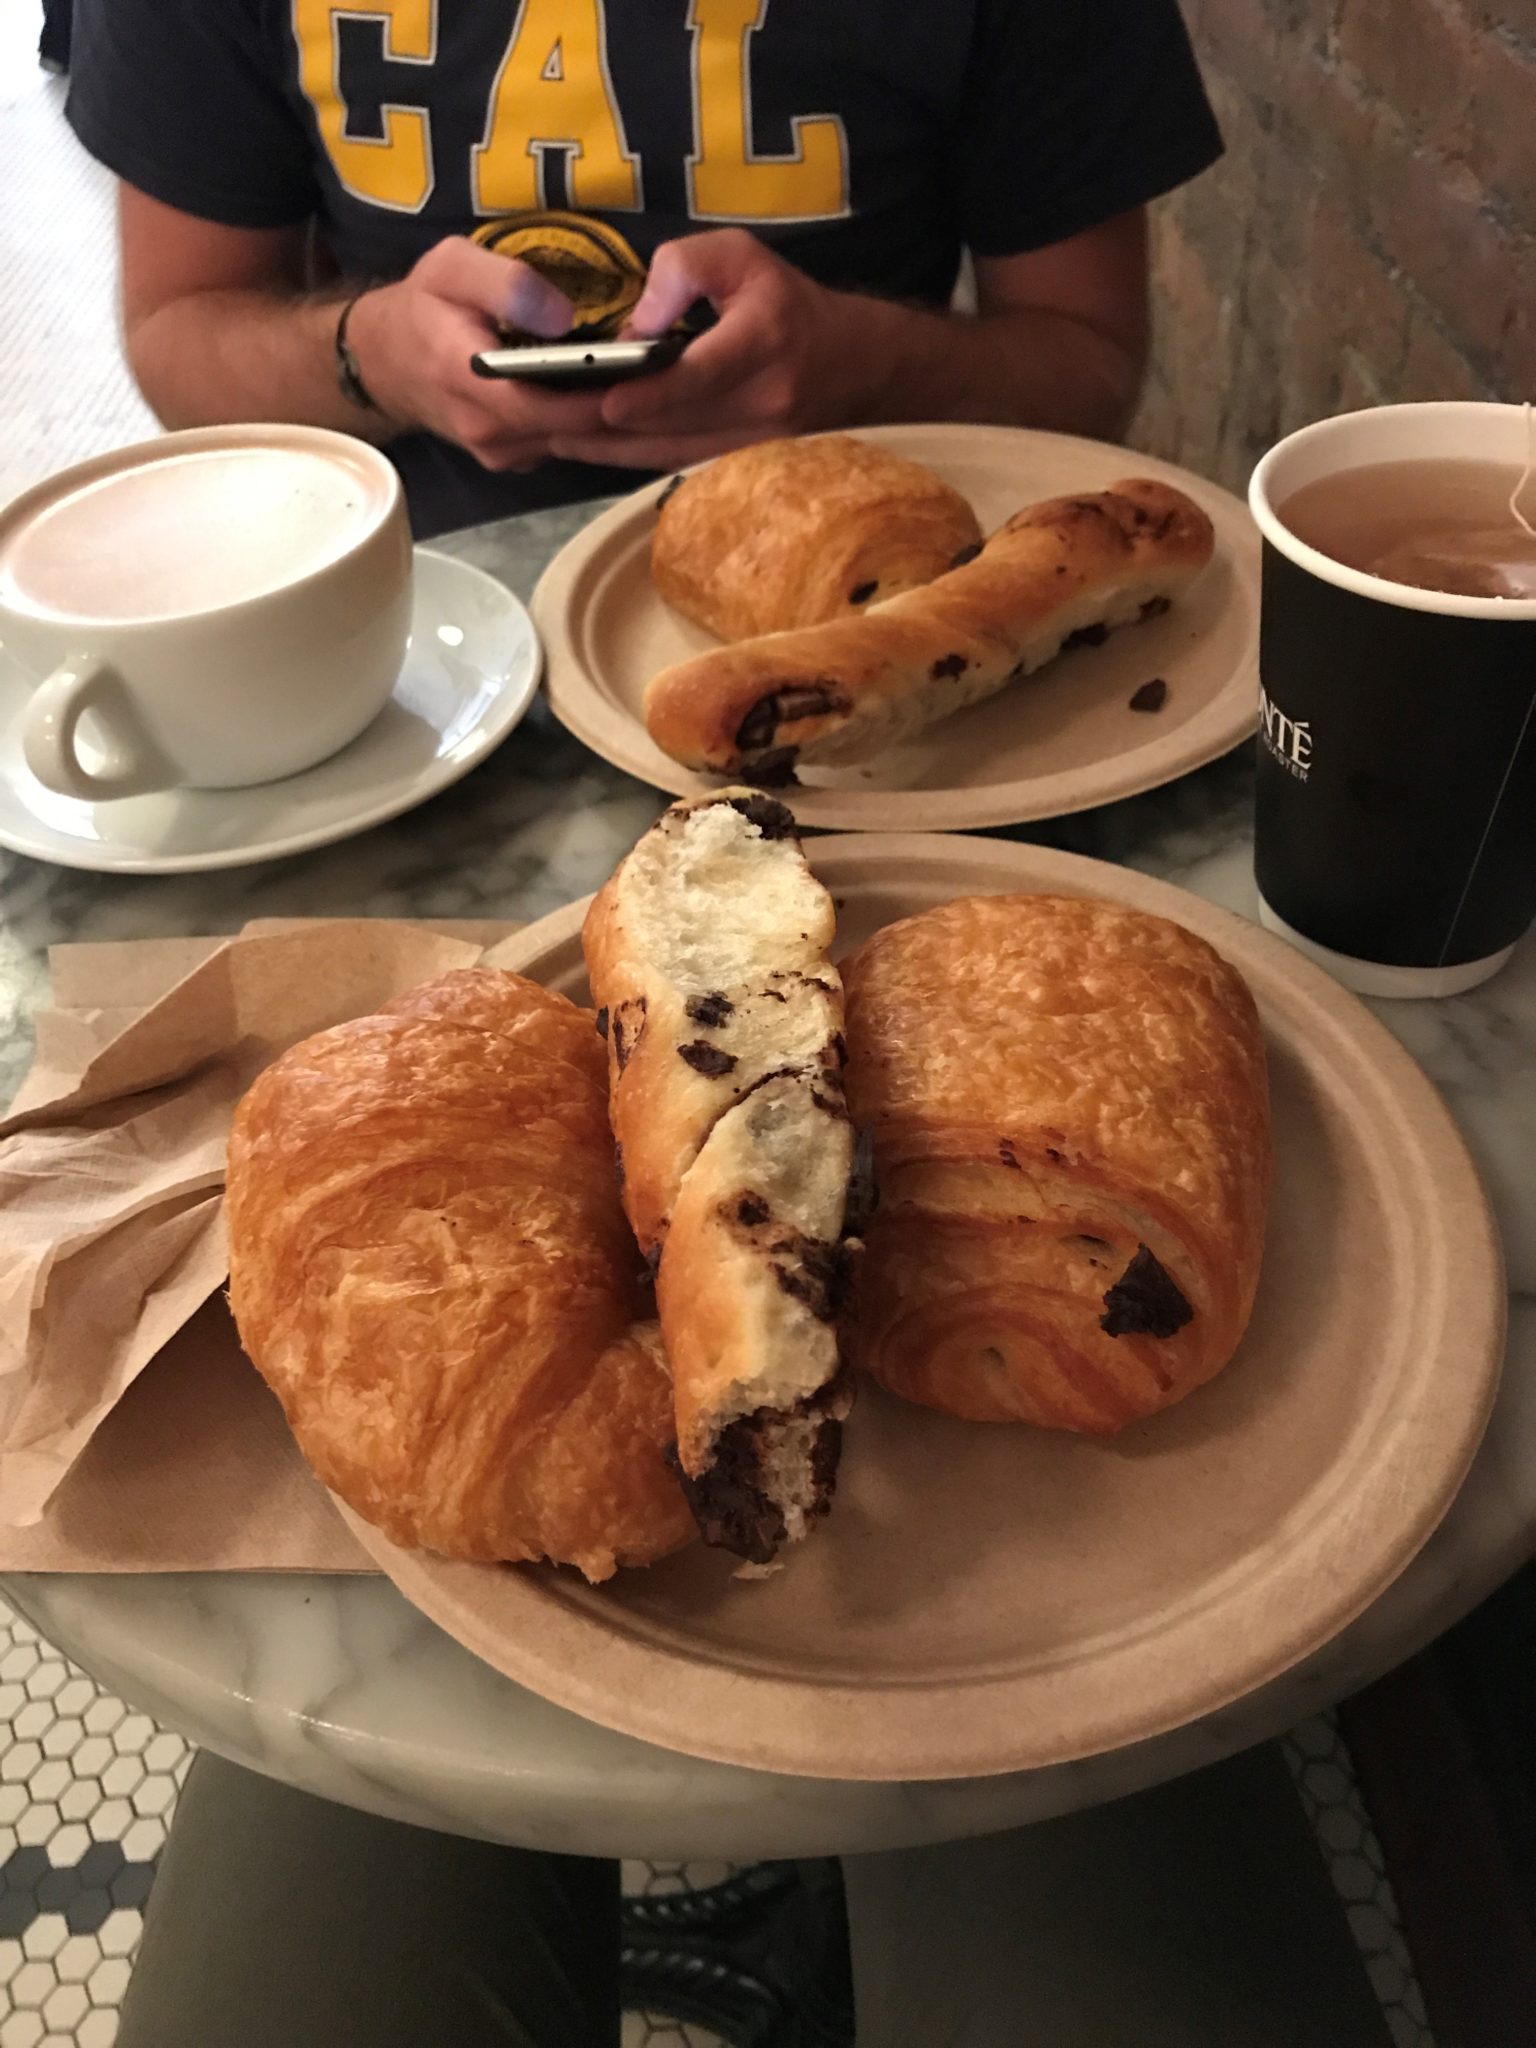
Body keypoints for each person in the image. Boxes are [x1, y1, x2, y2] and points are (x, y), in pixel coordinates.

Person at [65, 1, 1222, 536]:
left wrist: (864, 366)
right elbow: (181, 335)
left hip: (864, 588)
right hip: (408, 619)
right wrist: (373, 356)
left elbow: (1088, 363)